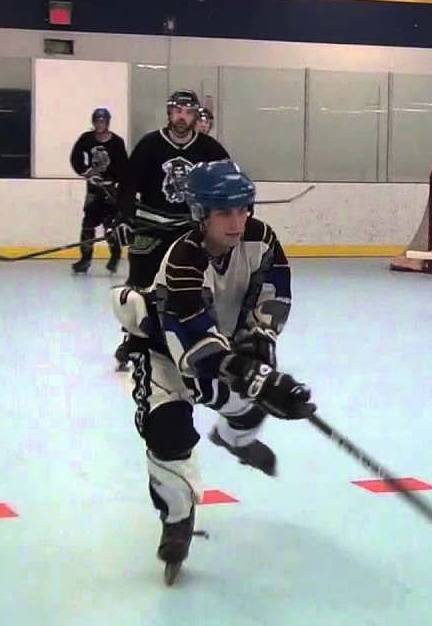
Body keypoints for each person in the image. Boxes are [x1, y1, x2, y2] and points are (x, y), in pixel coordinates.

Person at [110, 159, 313, 584]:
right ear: (201, 214)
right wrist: (258, 379)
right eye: (224, 212)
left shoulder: (261, 239)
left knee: (251, 407)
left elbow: (274, 296)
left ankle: (235, 439)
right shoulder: (183, 260)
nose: (237, 221)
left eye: (243, 209)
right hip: (166, 353)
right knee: (168, 432)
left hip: (222, 347)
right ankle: (177, 517)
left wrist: (261, 344)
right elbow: (194, 350)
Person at [111, 89, 230, 368]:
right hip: (151, 226)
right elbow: (128, 185)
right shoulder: (150, 144)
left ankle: (196, 337)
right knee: (141, 286)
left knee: (194, 285)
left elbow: (228, 183)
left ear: (196, 116)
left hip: (189, 229)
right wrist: (124, 219)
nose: (182, 117)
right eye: (177, 111)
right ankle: (135, 340)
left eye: (188, 112)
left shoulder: (210, 149)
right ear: (169, 113)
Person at [68, 107, 128, 274]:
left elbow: (124, 165)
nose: (100, 124)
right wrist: (87, 172)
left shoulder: (117, 142)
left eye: (103, 121)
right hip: (94, 189)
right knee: (88, 223)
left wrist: (116, 182)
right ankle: (85, 259)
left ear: (107, 122)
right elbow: (75, 158)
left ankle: (115, 256)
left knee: (110, 224)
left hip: (111, 190)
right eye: (97, 121)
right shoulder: (86, 139)